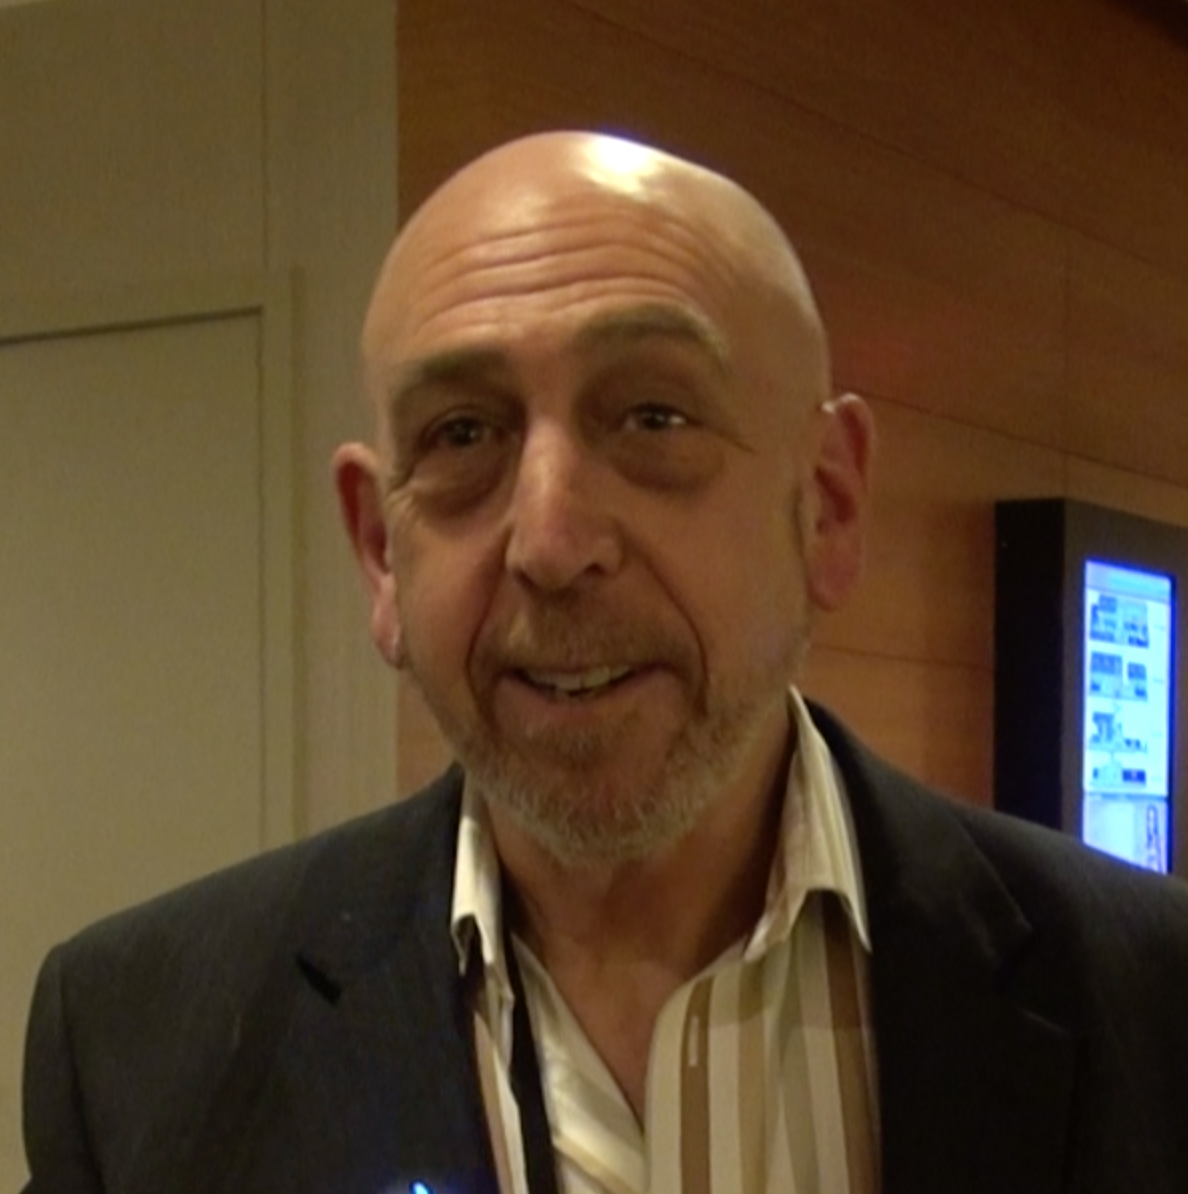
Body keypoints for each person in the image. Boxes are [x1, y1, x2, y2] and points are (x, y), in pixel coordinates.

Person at [19, 131, 1188, 1194]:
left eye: (653, 418)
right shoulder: (138, 1054)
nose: (551, 542)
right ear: (380, 551)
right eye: (462, 434)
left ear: (827, 506)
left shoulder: (1153, 1003)